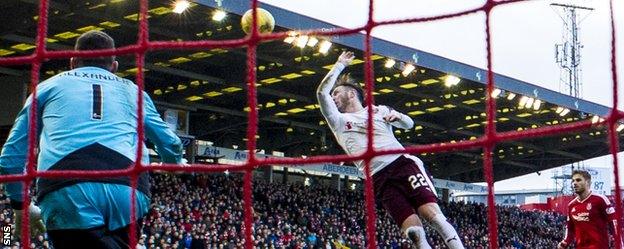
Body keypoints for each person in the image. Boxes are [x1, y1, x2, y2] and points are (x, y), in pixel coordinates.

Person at [0, 30, 183, 248]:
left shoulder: (47, 88)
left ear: (72, 62)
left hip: (66, 185)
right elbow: (171, 143)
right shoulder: (135, 92)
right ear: (114, 66)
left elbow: (10, 157)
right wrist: (173, 165)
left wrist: (20, 206)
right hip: (128, 186)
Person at [316, 51, 464, 249]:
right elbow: (321, 93)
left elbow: (409, 124)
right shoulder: (338, 121)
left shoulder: (378, 111)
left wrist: (398, 117)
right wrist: (339, 65)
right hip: (378, 178)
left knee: (433, 217)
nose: (333, 97)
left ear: (351, 93)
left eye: (337, 93)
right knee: (414, 233)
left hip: (402, 164)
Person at [558, 169, 618, 249]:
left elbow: (613, 222)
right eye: (573, 181)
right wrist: (565, 242)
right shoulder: (571, 205)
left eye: (578, 180)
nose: (574, 183)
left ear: (588, 182)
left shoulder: (600, 199)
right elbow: (570, 228)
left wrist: (619, 243)